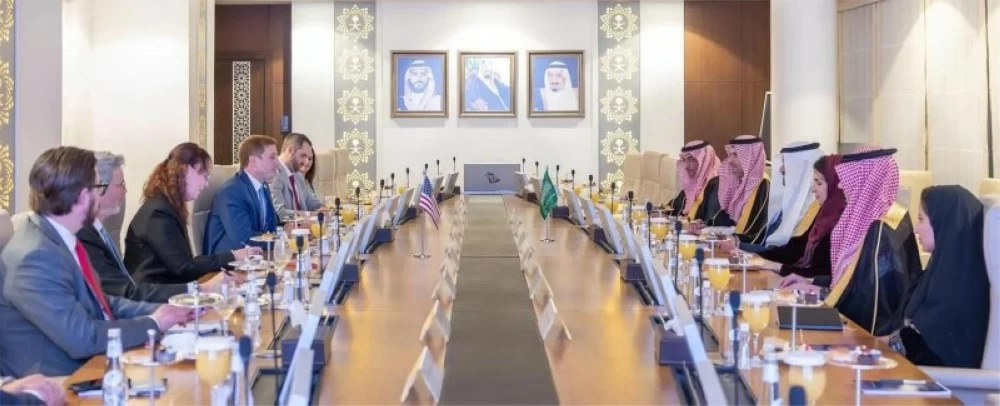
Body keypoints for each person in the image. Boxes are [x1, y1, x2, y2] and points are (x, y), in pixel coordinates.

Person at [0, 147, 193, 377]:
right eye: (99, 187)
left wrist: (160, 312)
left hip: (93, 362)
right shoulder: (34, 258)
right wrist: (153, 324)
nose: (100, 196)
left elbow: (100, 302)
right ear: (83, 196)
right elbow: (82, 338)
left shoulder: (59, 237)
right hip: (63, 379)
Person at [781, 147, 921, 334]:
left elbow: (869, 305)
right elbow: (856, 284)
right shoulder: (892, 215)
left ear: (867, 180)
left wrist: (817, 295)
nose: (840, 185)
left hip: (867, 335)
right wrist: (811, 282)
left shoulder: (880, 230)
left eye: (848, 176)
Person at [79, 152, 231, 301]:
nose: (125, 191)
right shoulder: (158, 212)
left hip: (149, 297)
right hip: (148, 298)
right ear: (98, 188)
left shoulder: (98, 231)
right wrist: (199, 289)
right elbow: (124, 294)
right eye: (120, 185)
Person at [878, 186, 990, 367]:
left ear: (943, 224)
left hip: (937, 380)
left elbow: (927, 348)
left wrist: (872, 344)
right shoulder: (942, 271)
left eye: (921, 219)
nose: (916, 229)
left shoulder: (958, 287)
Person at [125, 144, 255, 285]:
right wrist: (233, 256)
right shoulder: (159, 213)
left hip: (170, 286)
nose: (206, 184)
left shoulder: (168, 204)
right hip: (154, 292)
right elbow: (184, 268)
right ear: (184, 170)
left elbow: (184, 263)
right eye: (204, 176)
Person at [746, 155, 846, 278]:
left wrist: (773, 265)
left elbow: (821, 274)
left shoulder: (842, 221)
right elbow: (798, 248)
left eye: (819, 183)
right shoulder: (825, 212)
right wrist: (755, 256)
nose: (813, 189)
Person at [204, 135, 281, 254]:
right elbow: (244, 240)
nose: (278, 163)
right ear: (254, 161)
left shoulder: (263, 187)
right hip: (229, 261)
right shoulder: (232, 192)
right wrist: (284, 241)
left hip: (258, 256)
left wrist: (288, 230)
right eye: (272, 157)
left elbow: (271, 228)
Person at [706, 135, 770, 245]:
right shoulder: (739, 183)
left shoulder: (763, 186)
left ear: (751, 158)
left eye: (735, 155)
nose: (730, 160)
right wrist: (706, 225)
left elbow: (756, 234)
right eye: (730, 155)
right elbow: (729, 220)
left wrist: (734, 241)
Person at [271, 133, 323, 221]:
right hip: (286, 228)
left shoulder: (298, 175)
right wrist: (309, 214)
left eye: (309, 157)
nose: (306, 162)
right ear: (290, 150)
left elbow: (311, 203)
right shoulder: (274, 174)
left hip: (304, 226)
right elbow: (279, 212)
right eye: (303, 155)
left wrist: (325, 208)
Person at [667, 140, 721, 222]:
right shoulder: (692, 185)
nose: (686, 166)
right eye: (684, 160)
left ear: (704, 161)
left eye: (691, 159)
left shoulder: (717, 185)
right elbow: (673, 206)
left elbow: (711, 223)